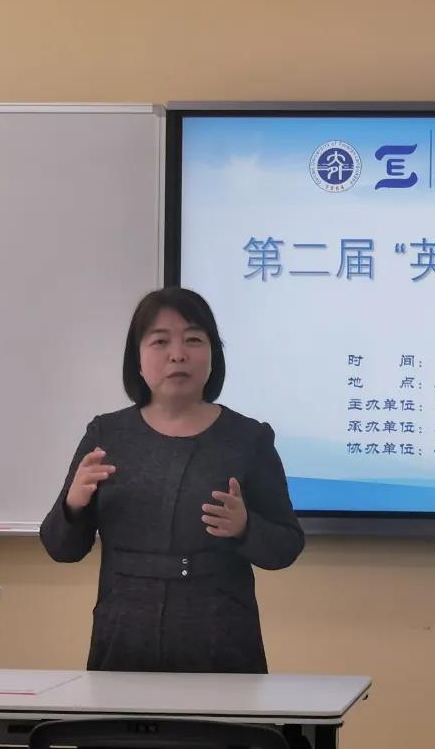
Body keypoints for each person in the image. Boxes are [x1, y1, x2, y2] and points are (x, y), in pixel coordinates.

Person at [40, 287, 304, 673]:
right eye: (160, 341)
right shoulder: (107, 435)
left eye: (193, 340)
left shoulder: (249, 439)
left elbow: (286, 546)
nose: (178, 354)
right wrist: (73, 506)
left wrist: (245, 528)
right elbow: (61, 548)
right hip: (124, 638)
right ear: (138, 359)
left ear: (213, 356)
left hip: (221, 641)